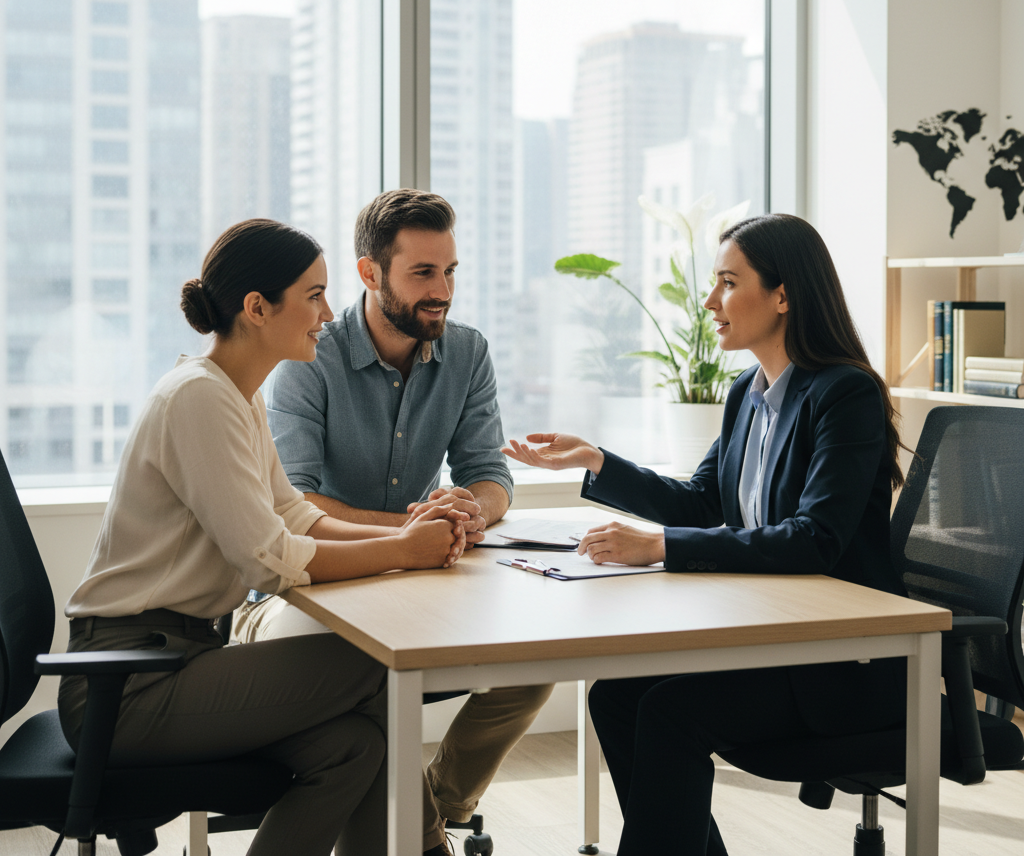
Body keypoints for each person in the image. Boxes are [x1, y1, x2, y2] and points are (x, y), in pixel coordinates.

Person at [503, 213, 910, 856]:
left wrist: (661, 546)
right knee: (617, 697)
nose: (710, 300)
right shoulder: (748, 391)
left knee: (670, 712)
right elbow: (701, 500)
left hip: (840, 661)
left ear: (783, 295)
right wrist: (596, 462)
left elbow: (813, 539)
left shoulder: (844, 393)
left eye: (727, 281)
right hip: (774, 637)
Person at [58, 218, 466, 856]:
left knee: (353, 748)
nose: (328, 314)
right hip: (128, 687)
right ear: (256, 308)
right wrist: (399, 551)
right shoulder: (198, 399)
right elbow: (267, 561)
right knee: (378, 664)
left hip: (181, 663)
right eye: (313, 295)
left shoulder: (236, 395)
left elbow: (293, 516)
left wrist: (407, 535)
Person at [232, 189, 554, 841]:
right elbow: (295, 503)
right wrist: (409, 533)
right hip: (301, 594)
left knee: (539, 653)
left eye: (451, 272)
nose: (443, 291)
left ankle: (436, 804)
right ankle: (422, 838)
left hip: (420, 583)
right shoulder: (306, 352)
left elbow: (490, 475)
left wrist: (470, 511)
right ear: (370, 273)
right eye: (423, 273)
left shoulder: (467, 353)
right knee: (367, 668)